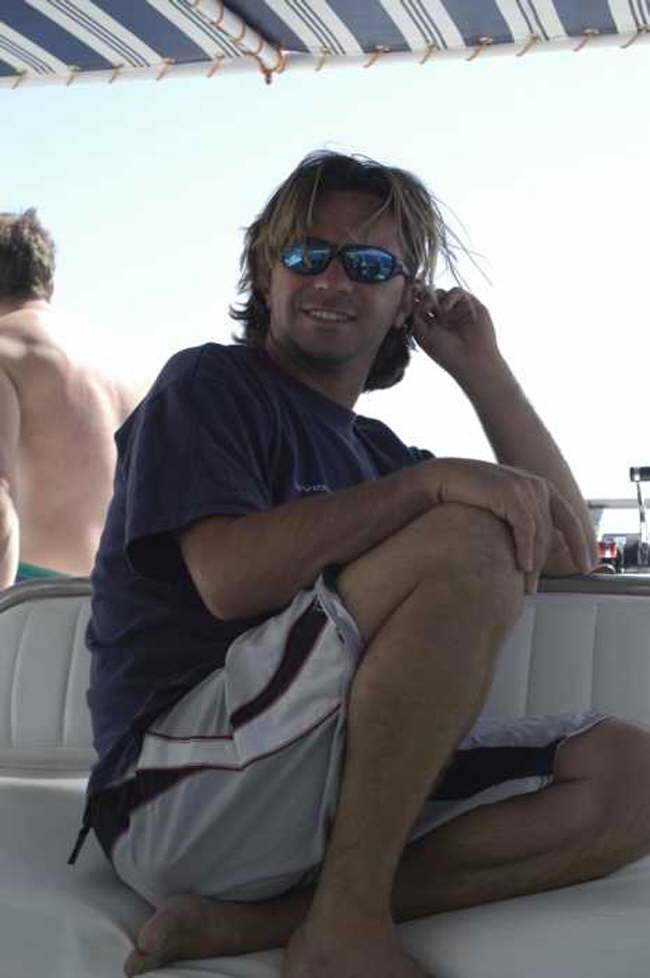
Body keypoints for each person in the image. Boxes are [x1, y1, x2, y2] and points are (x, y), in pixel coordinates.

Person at [78, 152, 650, 978]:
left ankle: (273, 922)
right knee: (470, 534)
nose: (332, 280)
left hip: (321, 776)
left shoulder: (377, 454)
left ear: (405, 300)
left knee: (631, 776)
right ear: (266, 273)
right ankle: (346, 926)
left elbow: (564, 547)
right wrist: (430, 488)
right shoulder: (209, 385)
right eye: (307, 254)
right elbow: (229, 579)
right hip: (178, 789)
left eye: (370, 265)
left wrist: (481, 368)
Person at [0, 209, 139, 587]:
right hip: (117, 597)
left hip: (31, 597)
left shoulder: (6, 348)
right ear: (48, 281)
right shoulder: (121, 361)